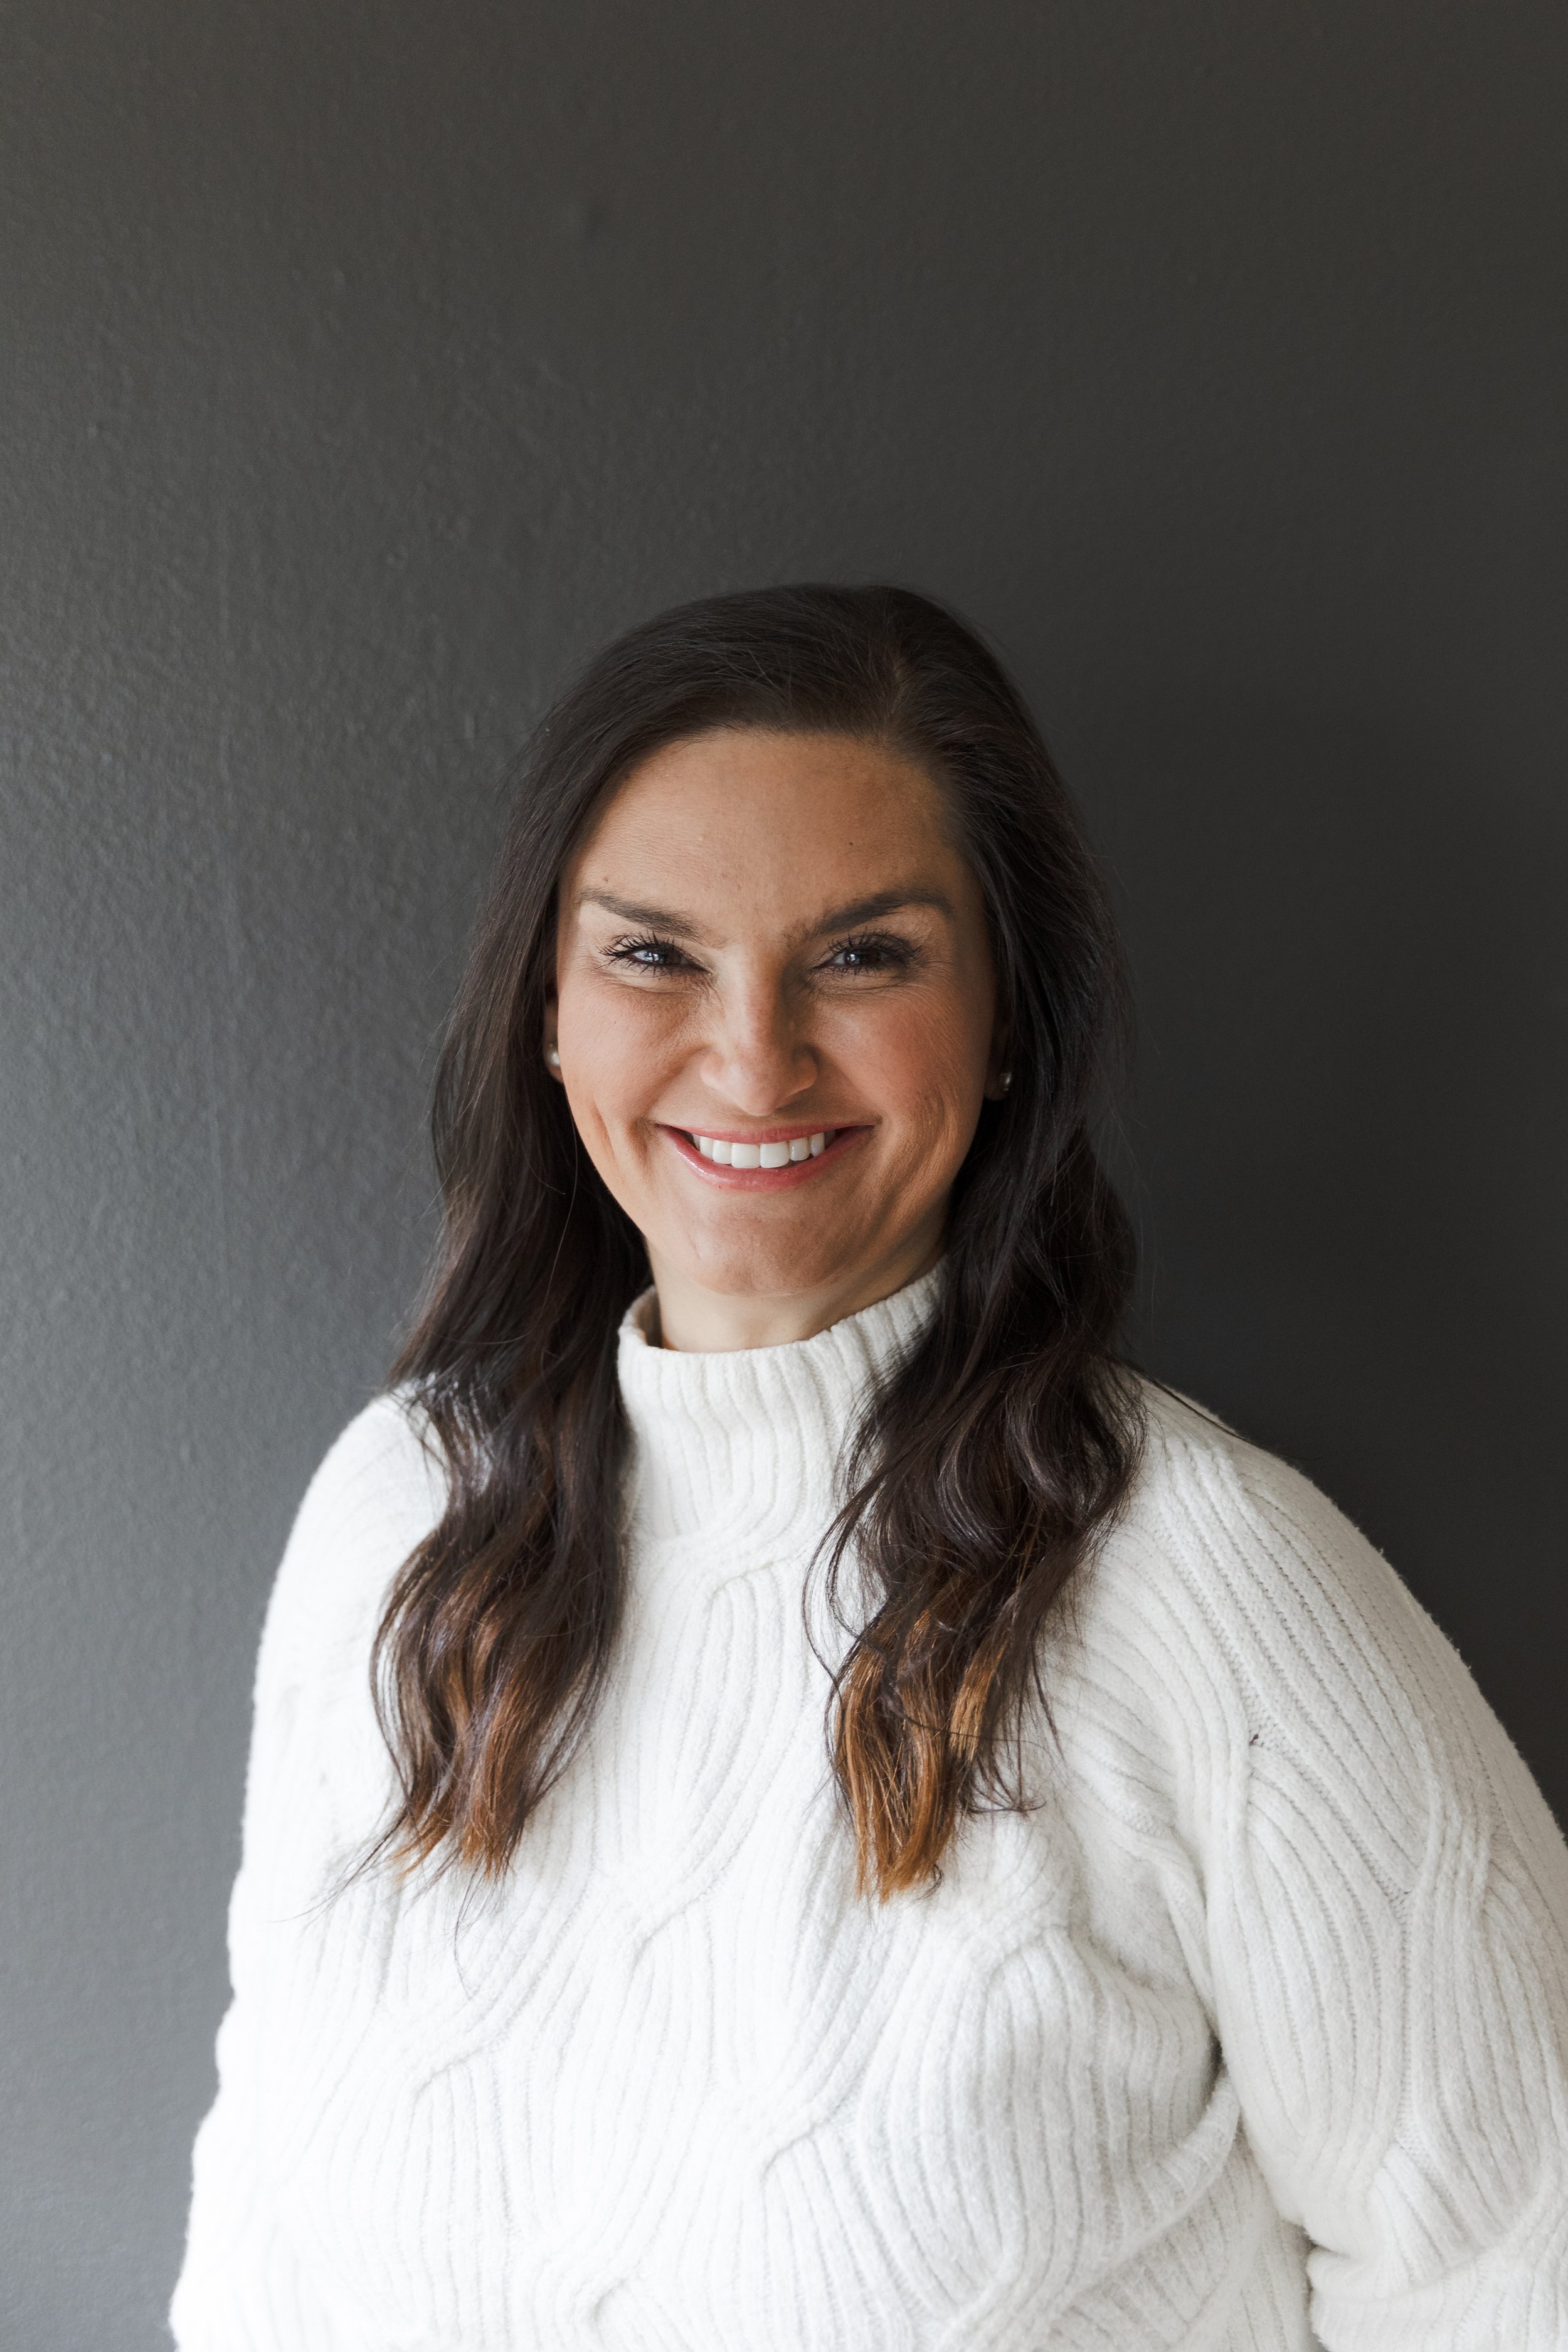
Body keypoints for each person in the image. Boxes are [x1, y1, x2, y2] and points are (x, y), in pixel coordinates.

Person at [171, 584, 1568, 2351]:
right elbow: (260, 2207)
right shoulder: (400, 1512)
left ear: (1002, 1026)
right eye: (651, 954)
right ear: (547, 1012)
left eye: (862, 956)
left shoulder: (1202, 1582)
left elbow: (1517, 2266)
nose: (750, 1055)